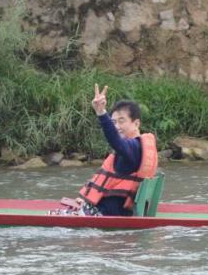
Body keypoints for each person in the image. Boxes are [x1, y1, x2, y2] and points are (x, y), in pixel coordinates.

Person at [55, 84, 158, 216]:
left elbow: (116, 141)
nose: (117, 126)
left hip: (109, 213)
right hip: (110, 210)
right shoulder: (137, 147)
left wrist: (101, 112)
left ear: (136, 123)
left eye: (122, 121)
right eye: (114, 122)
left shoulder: (134, 147)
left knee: (52, 215)